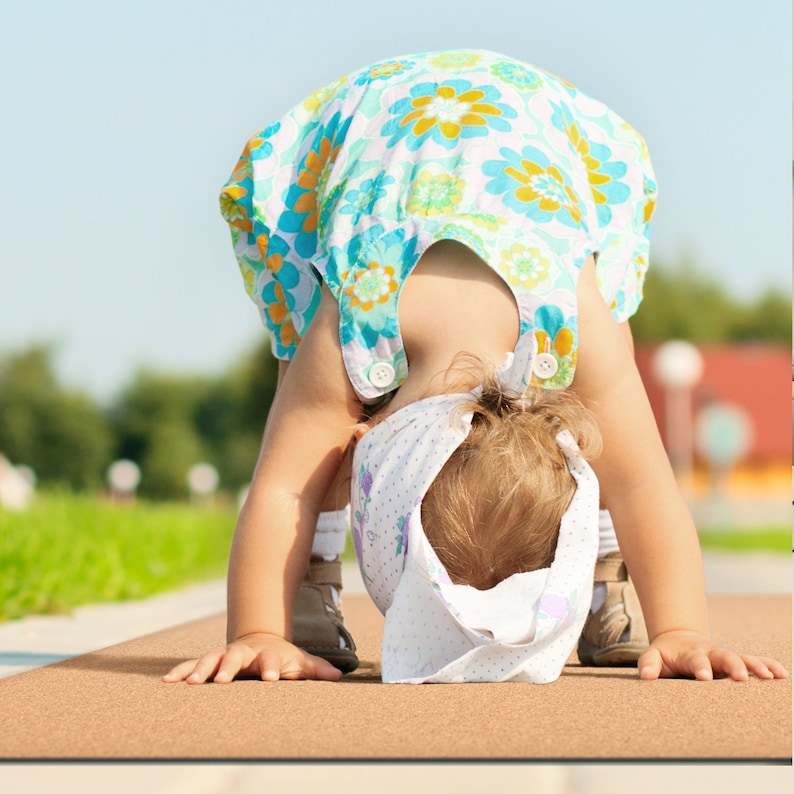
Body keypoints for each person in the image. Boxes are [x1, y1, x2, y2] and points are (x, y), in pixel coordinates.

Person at [164, 49, 787, 685]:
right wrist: (258, 631)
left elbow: (639, 484)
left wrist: (681, 629)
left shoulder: (576, 316)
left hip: (533, 157)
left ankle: (603, 566)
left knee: (617, 435)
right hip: (374, 137)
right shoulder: (354, 324)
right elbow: (282, 487)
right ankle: (305, 589)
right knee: (304, 414)